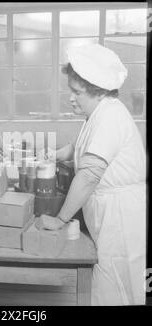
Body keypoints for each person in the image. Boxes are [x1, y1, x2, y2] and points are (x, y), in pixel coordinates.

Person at [46, 44, 146, 305]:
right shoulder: (97, 114)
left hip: (119, 214)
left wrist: (60, 219)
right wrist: (55, 154)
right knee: (107, 278)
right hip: (107, 210)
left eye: (77, 92)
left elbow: (89, 174)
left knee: (116, 282)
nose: (71, 98)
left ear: (99, 91)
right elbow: (80, 148)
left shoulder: (110, 117)